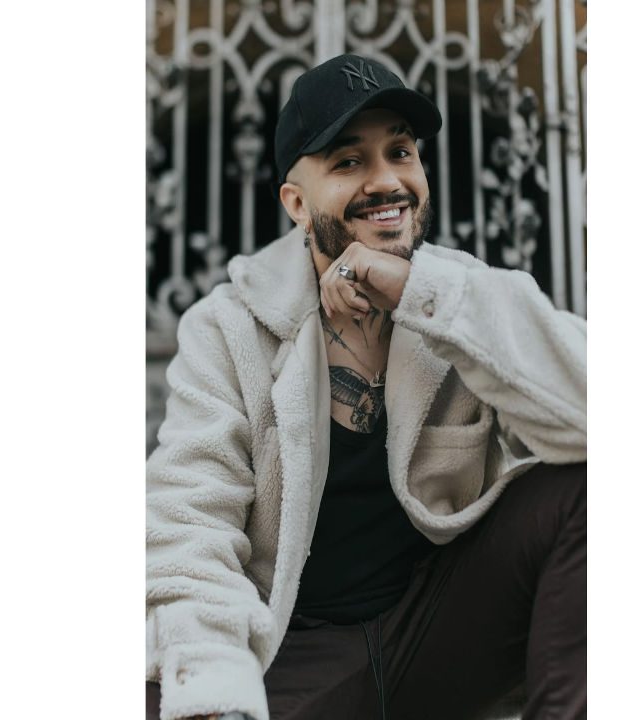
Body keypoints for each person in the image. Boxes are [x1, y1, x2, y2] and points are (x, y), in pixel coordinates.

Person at [147, 53, 586, 720]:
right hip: (300, 648)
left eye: (401, 153)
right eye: (349, 162)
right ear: (296, 202)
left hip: (440, 631)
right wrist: (219, 695)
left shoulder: (458, 297)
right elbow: (189, 525)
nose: (388, 181)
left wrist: (418, 292)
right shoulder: (228, 328)